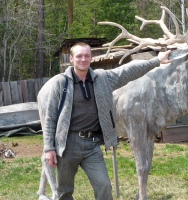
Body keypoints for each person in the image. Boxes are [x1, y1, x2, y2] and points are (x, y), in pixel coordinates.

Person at [37, 42, 174, 200]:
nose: (83, 59)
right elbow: (50, 117)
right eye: (79, 56)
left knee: (104, 186)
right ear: (71, 59)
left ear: (91, 58)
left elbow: (128, 71)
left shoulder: (102, 79)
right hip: (68, 144)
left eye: (87, 56)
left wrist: (157, 61)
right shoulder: (60, 83)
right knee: (64, 192)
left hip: (92, 145)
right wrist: (49, 148)